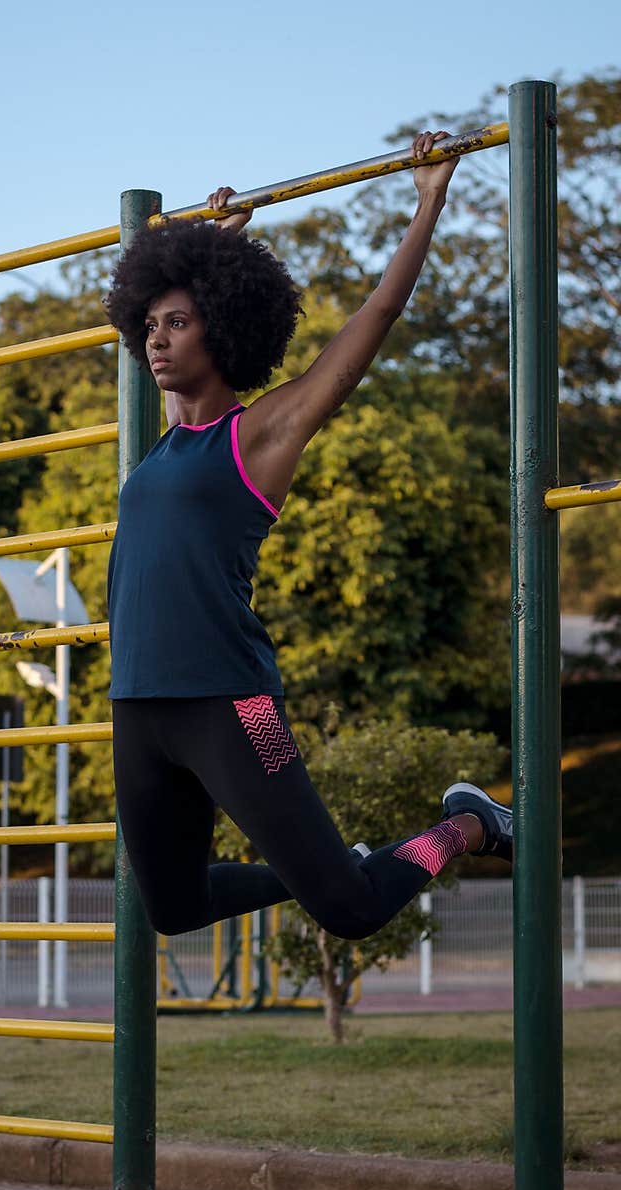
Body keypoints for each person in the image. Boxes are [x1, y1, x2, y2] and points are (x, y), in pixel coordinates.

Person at [102, 131, 512, 942]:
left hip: (231, 703)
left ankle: (468, 827)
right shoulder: (162, 445)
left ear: (218, 329)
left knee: (354, 910)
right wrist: (222, 242)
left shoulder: (259, 435)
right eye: (149, 322)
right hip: (138, 707)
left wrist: (428, 199)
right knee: (173, 909)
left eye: (177, 323)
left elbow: (377, 316)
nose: (156, 338)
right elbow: (198, 297)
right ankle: (336, 861)